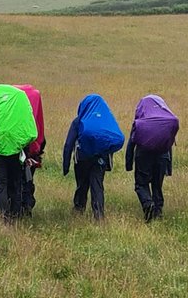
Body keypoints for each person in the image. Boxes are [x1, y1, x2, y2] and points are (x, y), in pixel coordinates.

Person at [0, 84, 38, 222]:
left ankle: (4, 217)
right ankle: (15, 215)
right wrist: (26, 153)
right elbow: (26, 132)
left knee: (1, 185)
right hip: (16, 152)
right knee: (15, 183)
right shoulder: (18, 112)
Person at [62, 94, 125, 220]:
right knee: (97, 186)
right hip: (100, 159)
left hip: (82, 159)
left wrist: (66, 166)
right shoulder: (106, 120)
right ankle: (99, 215)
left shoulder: (78, 121)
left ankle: (79, 210)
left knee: (82, 185)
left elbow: (68, 144)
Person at [125, 94, 179, 222]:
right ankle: (158, 213)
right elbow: (169, 144)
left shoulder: (141, 122)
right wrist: (169, 168)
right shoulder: (166, 122)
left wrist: (129, 164)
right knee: (157, 185)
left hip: (143, 156)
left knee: (141, 184)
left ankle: (148, 205)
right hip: (162, 157)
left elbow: (131, 143)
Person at [15, 84, 45, 216]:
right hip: (32, 148)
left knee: (14, 179)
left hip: (12, 147)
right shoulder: (35, 96)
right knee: (28, 179)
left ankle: (15, 208)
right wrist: (39, 148)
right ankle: (27, 206)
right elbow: (40, 125)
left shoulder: (11, 99)